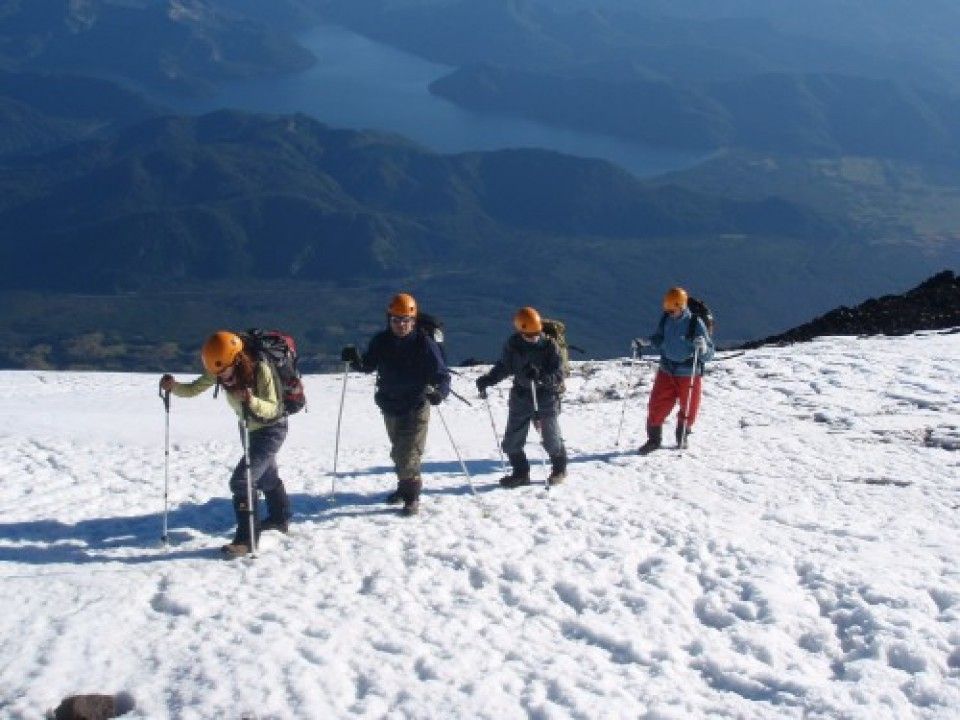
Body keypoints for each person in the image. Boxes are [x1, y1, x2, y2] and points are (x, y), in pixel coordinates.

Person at [159, 330, 291, 558]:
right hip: (248, 429)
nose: (221, 376)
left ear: (236, 359)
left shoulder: (261, 369)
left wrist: (251, 400)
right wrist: (174, 387)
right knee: (266, 477)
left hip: (271, 430)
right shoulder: (219, 370)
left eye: (224, 370)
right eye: (216, 372)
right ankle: (279, 520)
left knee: (242, 481)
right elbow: (194, 388)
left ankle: (246, 540)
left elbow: (274, 408)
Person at [340, 293, 451, 516]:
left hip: (417, 404)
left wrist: (440, 393)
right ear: (389, 319)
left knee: (408, 453)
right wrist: (354, 361)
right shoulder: (381, 341)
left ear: (413, 321)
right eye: (396, 320)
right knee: (398, 450)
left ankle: (412, 497)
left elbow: (441, 375)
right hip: (390, 405)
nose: (400, 324)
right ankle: (404, 488)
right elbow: (369, 366)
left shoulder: (424, 343)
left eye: (405, 320)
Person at [475, 307, 568, 487]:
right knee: (512, 440)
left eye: (536, 334)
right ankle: (520, 473)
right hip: (521, 395)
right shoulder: (513, 344)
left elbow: (558, 374)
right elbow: (505, 366)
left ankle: (559, 469)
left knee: (551, 438)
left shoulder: (550, 346)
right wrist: (489, 379)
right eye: (529, 335)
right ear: (520, 331)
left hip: (546, 397)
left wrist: (540, 376)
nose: (533, 338)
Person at [634, 287, 715, 454]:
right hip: (667, 369)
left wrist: (703, 347)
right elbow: (660, 338)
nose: (670, 313)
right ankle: (653, 440)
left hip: (688, 372)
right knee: (657, 404)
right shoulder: (666, 319)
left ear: (682, 306)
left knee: (689, 408)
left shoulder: (695, 323)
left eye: (673, 310)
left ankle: (682, 436)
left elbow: (709, 355)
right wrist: (646, 342)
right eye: (668, 310)